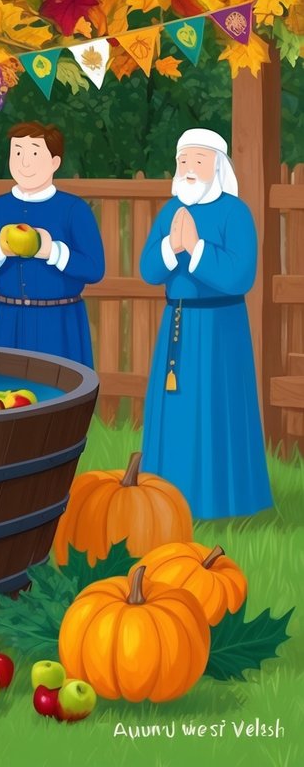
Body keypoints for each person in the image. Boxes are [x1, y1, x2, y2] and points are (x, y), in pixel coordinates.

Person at [137, 128, 273, 519]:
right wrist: (171, 246)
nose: (188, 169)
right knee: (178, 411)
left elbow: (241, 275)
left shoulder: (235, 213)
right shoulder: (170, 212)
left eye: (197, 160)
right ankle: (168, 497)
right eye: (183, 161)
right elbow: (149, 269)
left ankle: (222, 500)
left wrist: (197, 247)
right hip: (177, 326)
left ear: (218, 165)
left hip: (221, 329)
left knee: (217, 408)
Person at [0, 122, 104, 367]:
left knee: (62, 391)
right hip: (11, 322)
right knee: (11, 392)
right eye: (17, 152)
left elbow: (94, 268)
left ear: (55, 162)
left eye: (35, 153)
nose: (24, 162)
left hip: (61, 322)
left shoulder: (73, 209)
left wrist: (53, 251)